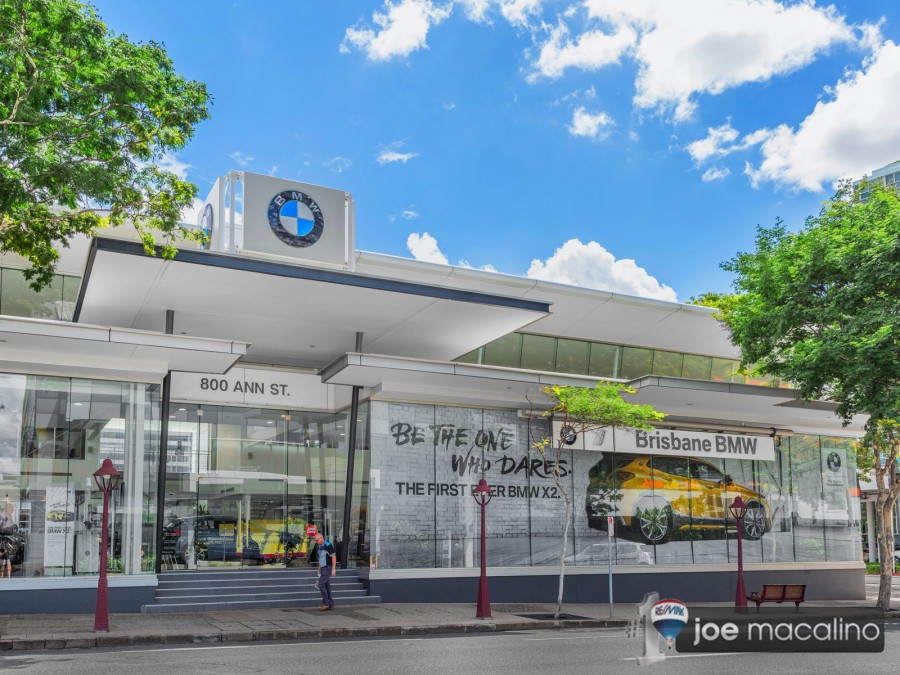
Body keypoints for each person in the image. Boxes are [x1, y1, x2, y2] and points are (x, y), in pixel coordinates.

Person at [314, 532, 336, 610]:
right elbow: (321, 558)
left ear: (321, 538)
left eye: (317, 540)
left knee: (321, 585)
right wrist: (319, 569)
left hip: (327, 568)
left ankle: (325, 603)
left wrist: (333, 569)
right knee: (326, 586)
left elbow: (333, 557)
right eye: (315, 540)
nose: (316, 542)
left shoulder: (328, 545)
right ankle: (330, 604)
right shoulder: (320, 547)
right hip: (323, 568)